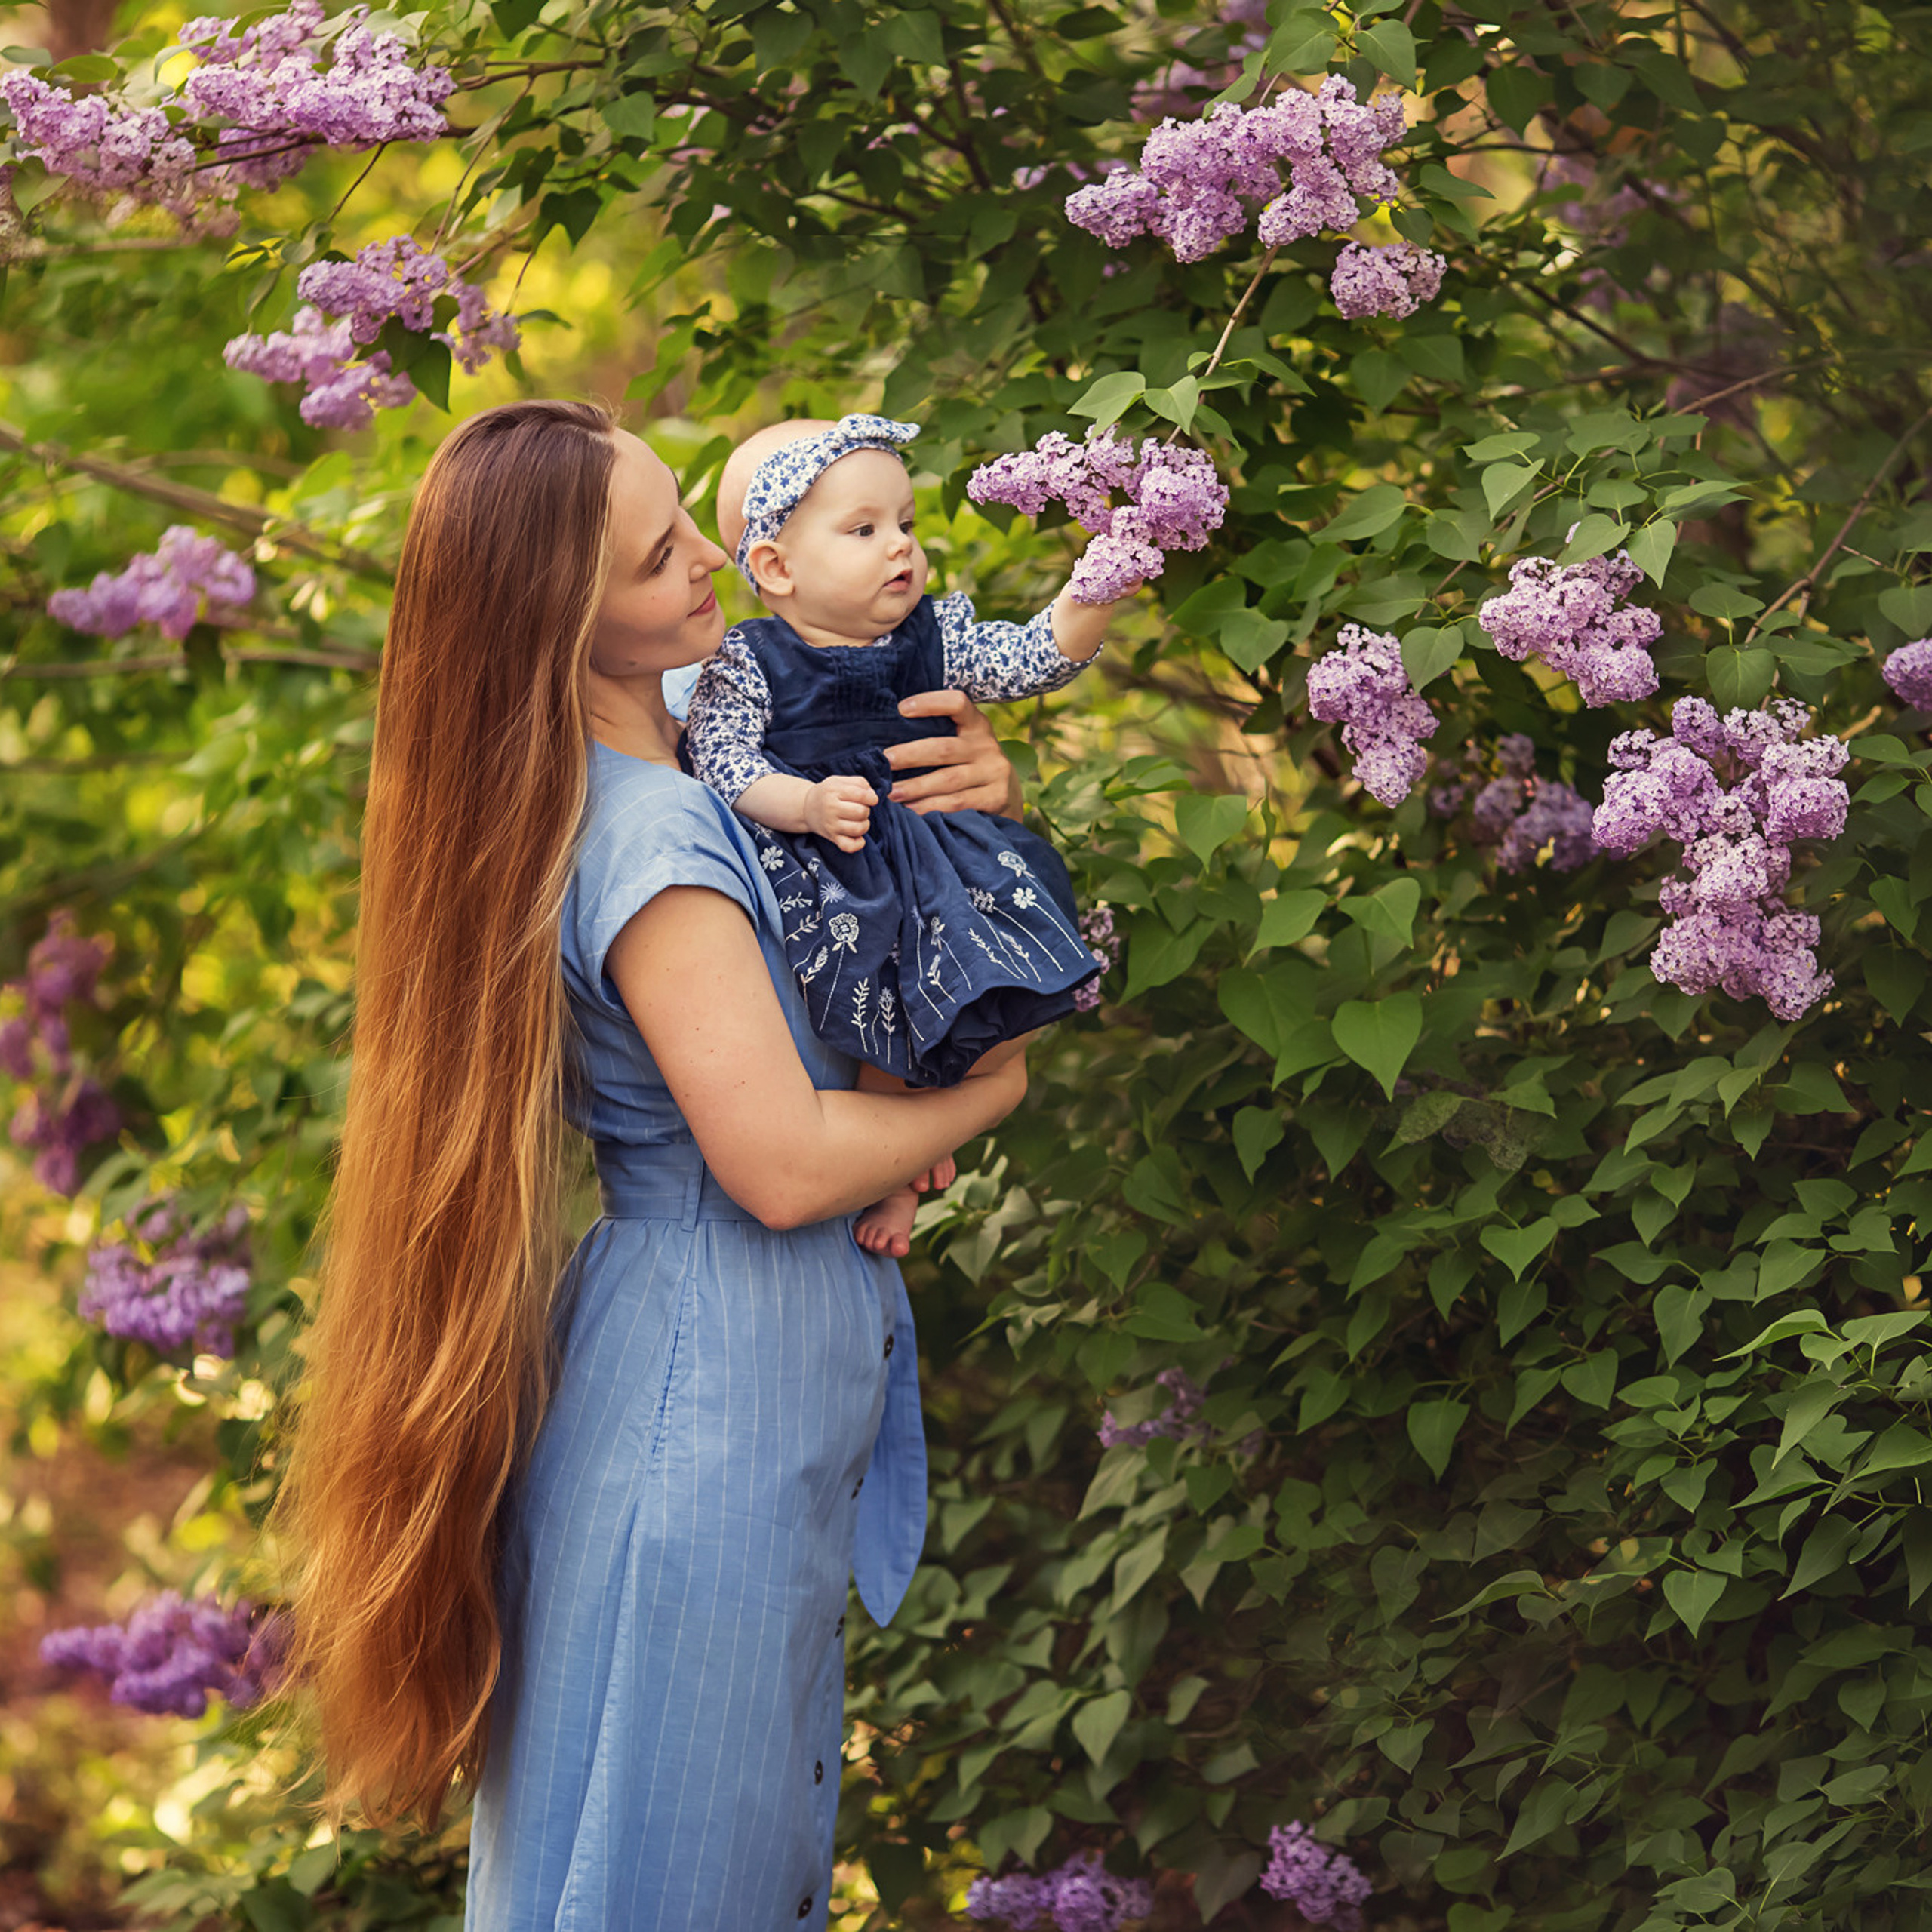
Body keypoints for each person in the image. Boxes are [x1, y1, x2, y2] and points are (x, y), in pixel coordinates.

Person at [277, 398, 1030, 1932]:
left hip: (714, 1380)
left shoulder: (694, 760)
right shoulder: (651, 845)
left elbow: (831, 1000)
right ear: (568, 625)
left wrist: (970, 794)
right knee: (666, 1878)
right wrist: (985, 1091)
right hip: (703, 1407)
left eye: (687, 514)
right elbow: (775, 1160)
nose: (710, 560)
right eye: (656, 556)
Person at [680, 414, 1137, 1253]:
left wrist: (1091, 594)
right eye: (864, 529)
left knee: (1011, 1007)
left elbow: (1029, 658)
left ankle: (930, 1135)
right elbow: (722, 761)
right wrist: (806, 805)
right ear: (776, 568)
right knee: (888, 1007)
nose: (900, 548)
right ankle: (893, 1177)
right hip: (849, 870)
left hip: (943, 857)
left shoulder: (934, 635)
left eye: (905, 525)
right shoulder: (748, 662)